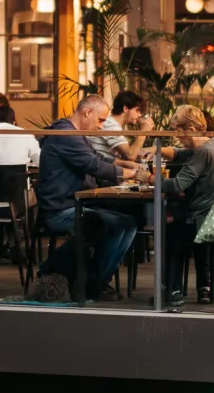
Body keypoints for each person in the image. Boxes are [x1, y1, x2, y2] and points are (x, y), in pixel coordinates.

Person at [35, 95, 144, 301]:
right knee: (120, 225)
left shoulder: (74, 133)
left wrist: (130, 166)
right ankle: (95, 283)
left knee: (127, 223)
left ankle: (96, 280)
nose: (101, 126)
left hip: (73, 204)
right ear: (88, 112)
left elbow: (99, 158)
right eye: (101, 120)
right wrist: (135, 175)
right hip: (60, 211)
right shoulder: (67, 135)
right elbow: (93, 166)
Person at [143, 105, 214, 306]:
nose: (176, 135)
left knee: (170, 233)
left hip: (206, 220)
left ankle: (173, 292)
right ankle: (180, 289)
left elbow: (178, 184)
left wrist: (149, 178)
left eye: (178, 129)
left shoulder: (203, 152)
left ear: (191, 129)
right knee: (175, 224)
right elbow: (181, 154)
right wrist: (156, 149)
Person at [92, 90, 145, 166]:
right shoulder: (110, 124)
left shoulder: (112, 124)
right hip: (100, 173)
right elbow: (130, 156)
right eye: (137, 110)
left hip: (105, 169)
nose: (140, 115)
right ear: (125, 108)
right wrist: (144, 132)